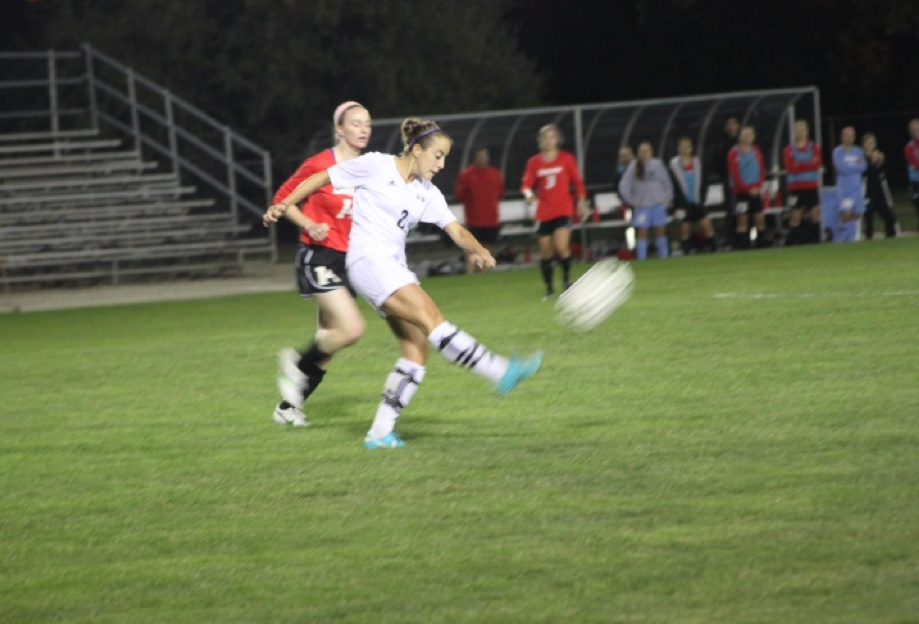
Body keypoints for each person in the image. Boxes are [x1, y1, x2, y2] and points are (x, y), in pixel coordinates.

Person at [264, 118, 543, 450]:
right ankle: (497, 370)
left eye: (444, 159)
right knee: (433, 320)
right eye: (437, 156)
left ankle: (380, 433)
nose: (441, 165)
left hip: (392, 268)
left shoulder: (427, 193)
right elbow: (323, 177)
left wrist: (479, 249)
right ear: (416, 149)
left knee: (416, 350)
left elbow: (454, 229)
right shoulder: (376, 165)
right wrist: (285, 204)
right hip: (369, 263)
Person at [270, 101, 371, 427]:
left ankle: (288, 407)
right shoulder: (319, 164)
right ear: (339, 129)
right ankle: (296, 360)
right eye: (355, 123)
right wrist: (308, 224)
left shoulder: (369, 167)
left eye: (367, 123)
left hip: (348, 260)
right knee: (351, 329)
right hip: (318, 255)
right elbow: (283, 200)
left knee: (329, 341)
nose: (364, 129)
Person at [520, 124, 589, 301]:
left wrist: (582, 204)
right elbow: (527, 184)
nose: (549, 141)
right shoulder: (534, 162)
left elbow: (578, 182)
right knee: (546, 252)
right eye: (545, 137)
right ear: (540, 141)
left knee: (561, 246)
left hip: (563, 209)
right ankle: (549, 290)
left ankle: (567, 281)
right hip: (544, 213)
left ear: (558, 140)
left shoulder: (566, 158)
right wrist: (529, 195)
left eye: (552, 137)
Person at [454, 146, 505, 274]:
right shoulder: (466, 175)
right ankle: (470, 274)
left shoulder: (495, 174)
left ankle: (484, 273)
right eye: (480, 156)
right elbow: (460, 194)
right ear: (475, 157)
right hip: (473, 219)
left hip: (491, 219)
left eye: (484, 155)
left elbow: (500, 193)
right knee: (471, 248)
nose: (482, 158)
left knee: (487, 247)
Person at [618, 141, 673, 260]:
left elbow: (666, 182)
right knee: (642, 232)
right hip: (642, 206)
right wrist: (631, 200)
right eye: (642, 151)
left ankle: (664, 257)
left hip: (658, 204)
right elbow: (624, 186)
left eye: (647, 151)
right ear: (638, 153)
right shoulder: (634, 166)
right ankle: (641, 258)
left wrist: (668, 198)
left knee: (661, 230)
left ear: (651, 152)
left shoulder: (658, 164)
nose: (645, 153)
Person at [668, 136, 716, 254]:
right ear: (678, 149)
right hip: (681, 203)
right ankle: (686, 249)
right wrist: (675, 203)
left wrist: (702, 197)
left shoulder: (698, 163)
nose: (685, 149)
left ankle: (712, 247)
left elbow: (704, 182)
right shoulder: (673, 165)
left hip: (697, 201)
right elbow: (671, 185)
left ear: (691, 148)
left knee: (706, 223)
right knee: (685, 228)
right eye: (682, 147)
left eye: (687, 147)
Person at [782, 120, 823, 245]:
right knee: (795, 216)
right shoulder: (788, 150)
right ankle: (796, 242)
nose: (800, 132)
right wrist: (807, 164)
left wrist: (800, 165)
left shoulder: (814, 148)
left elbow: (816, 164)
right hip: (795, 187)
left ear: (807, 131)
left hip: (810, 186)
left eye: (802, 129)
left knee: (814, 215)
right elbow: (790, 167)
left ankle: (815, 241)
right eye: (797, 130)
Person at [726, 125, 767, 250]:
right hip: (740, 192)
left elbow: (761, 170)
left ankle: (761, 243)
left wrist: (758, 186)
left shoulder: (756, 151)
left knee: (759, 217)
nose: (748, 137)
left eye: (750, 135)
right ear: (740, 137)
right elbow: (735, 174)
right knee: (742, 219)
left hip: (755, 190)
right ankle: (743, 246)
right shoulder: (734, 153)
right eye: (745, 135)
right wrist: (746, 189)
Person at [831, 126, 867, 243]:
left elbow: (863, 167)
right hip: (844, 188)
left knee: (857, 213)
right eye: (846, 135)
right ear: (841, 137)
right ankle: (841, 240)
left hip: (857, 187)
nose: (849, 138)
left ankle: (851, 240)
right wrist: (855, 165)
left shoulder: (858, 151)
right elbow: (841, 168)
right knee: (846, 215)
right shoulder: (837, 152)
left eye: (851, 136)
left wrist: (852, 166)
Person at [861, 132, 899, 239]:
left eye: (872, 142)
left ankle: (890, 238)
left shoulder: (878, 156)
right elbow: (864, 172)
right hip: (867, 193)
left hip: (879, 192)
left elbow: (883, 172)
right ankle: (868, 241)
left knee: (890, 217)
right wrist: (871, 161)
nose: (870, 145)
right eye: (868, 143)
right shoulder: (861, 157)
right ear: (864, 144)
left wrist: (880, 161)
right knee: (868, 220)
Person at [905, 118, 919, 229]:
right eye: (913, 129)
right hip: (916, 180)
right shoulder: (909, 147)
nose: (916, 131)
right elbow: (915, 163)